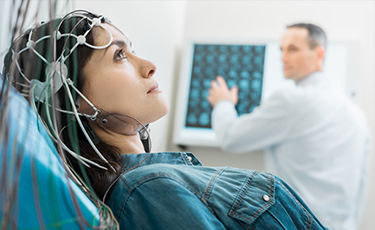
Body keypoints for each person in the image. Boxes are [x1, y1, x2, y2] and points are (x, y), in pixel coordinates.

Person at [2, 11, 327, 229]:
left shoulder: (158, 179)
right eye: (119, 56)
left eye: (131, 50)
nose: (149, 65)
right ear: (76, 102)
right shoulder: (147, 188)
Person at [207, 23, 370, 230]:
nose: (283, 57)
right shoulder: (354, 112)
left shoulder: (292, 100)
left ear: (319, 54)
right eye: (281, 50)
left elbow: (230, 137)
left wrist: (223, 103)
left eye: (293, 49)